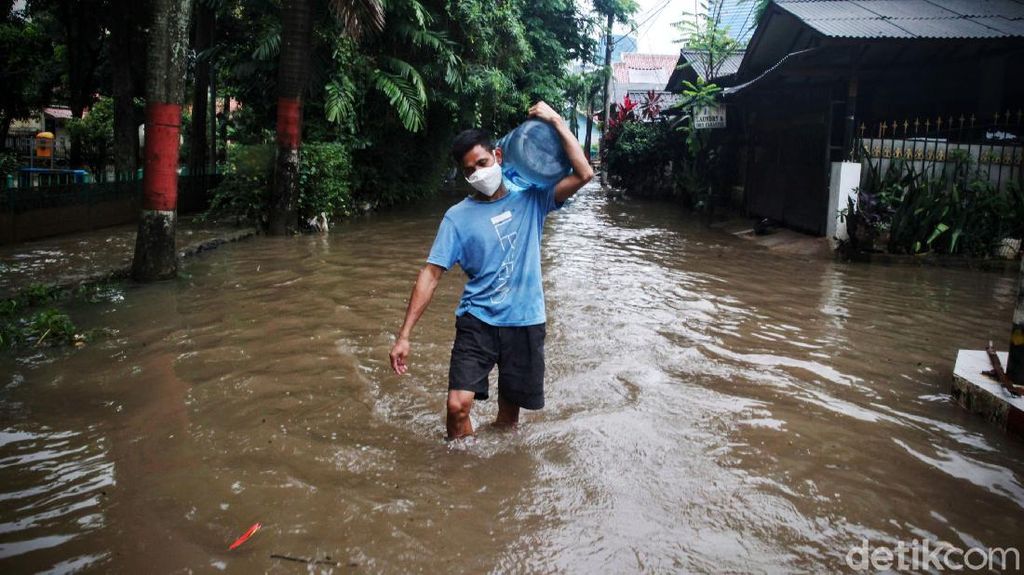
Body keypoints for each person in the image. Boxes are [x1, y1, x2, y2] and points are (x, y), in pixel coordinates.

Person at [388, 101, 594, 440]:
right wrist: (405, 335)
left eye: (482, 162)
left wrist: (555, 120)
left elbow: (584, 173)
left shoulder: (532, 197)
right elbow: (430, 274)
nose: (478, 174)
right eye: (470, 170)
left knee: (509, 420)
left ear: (498, 155)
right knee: (457, 407)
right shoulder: (457, 217)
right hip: (477, 321)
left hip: (525, 321)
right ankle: (462, 473)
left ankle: (493, 477)